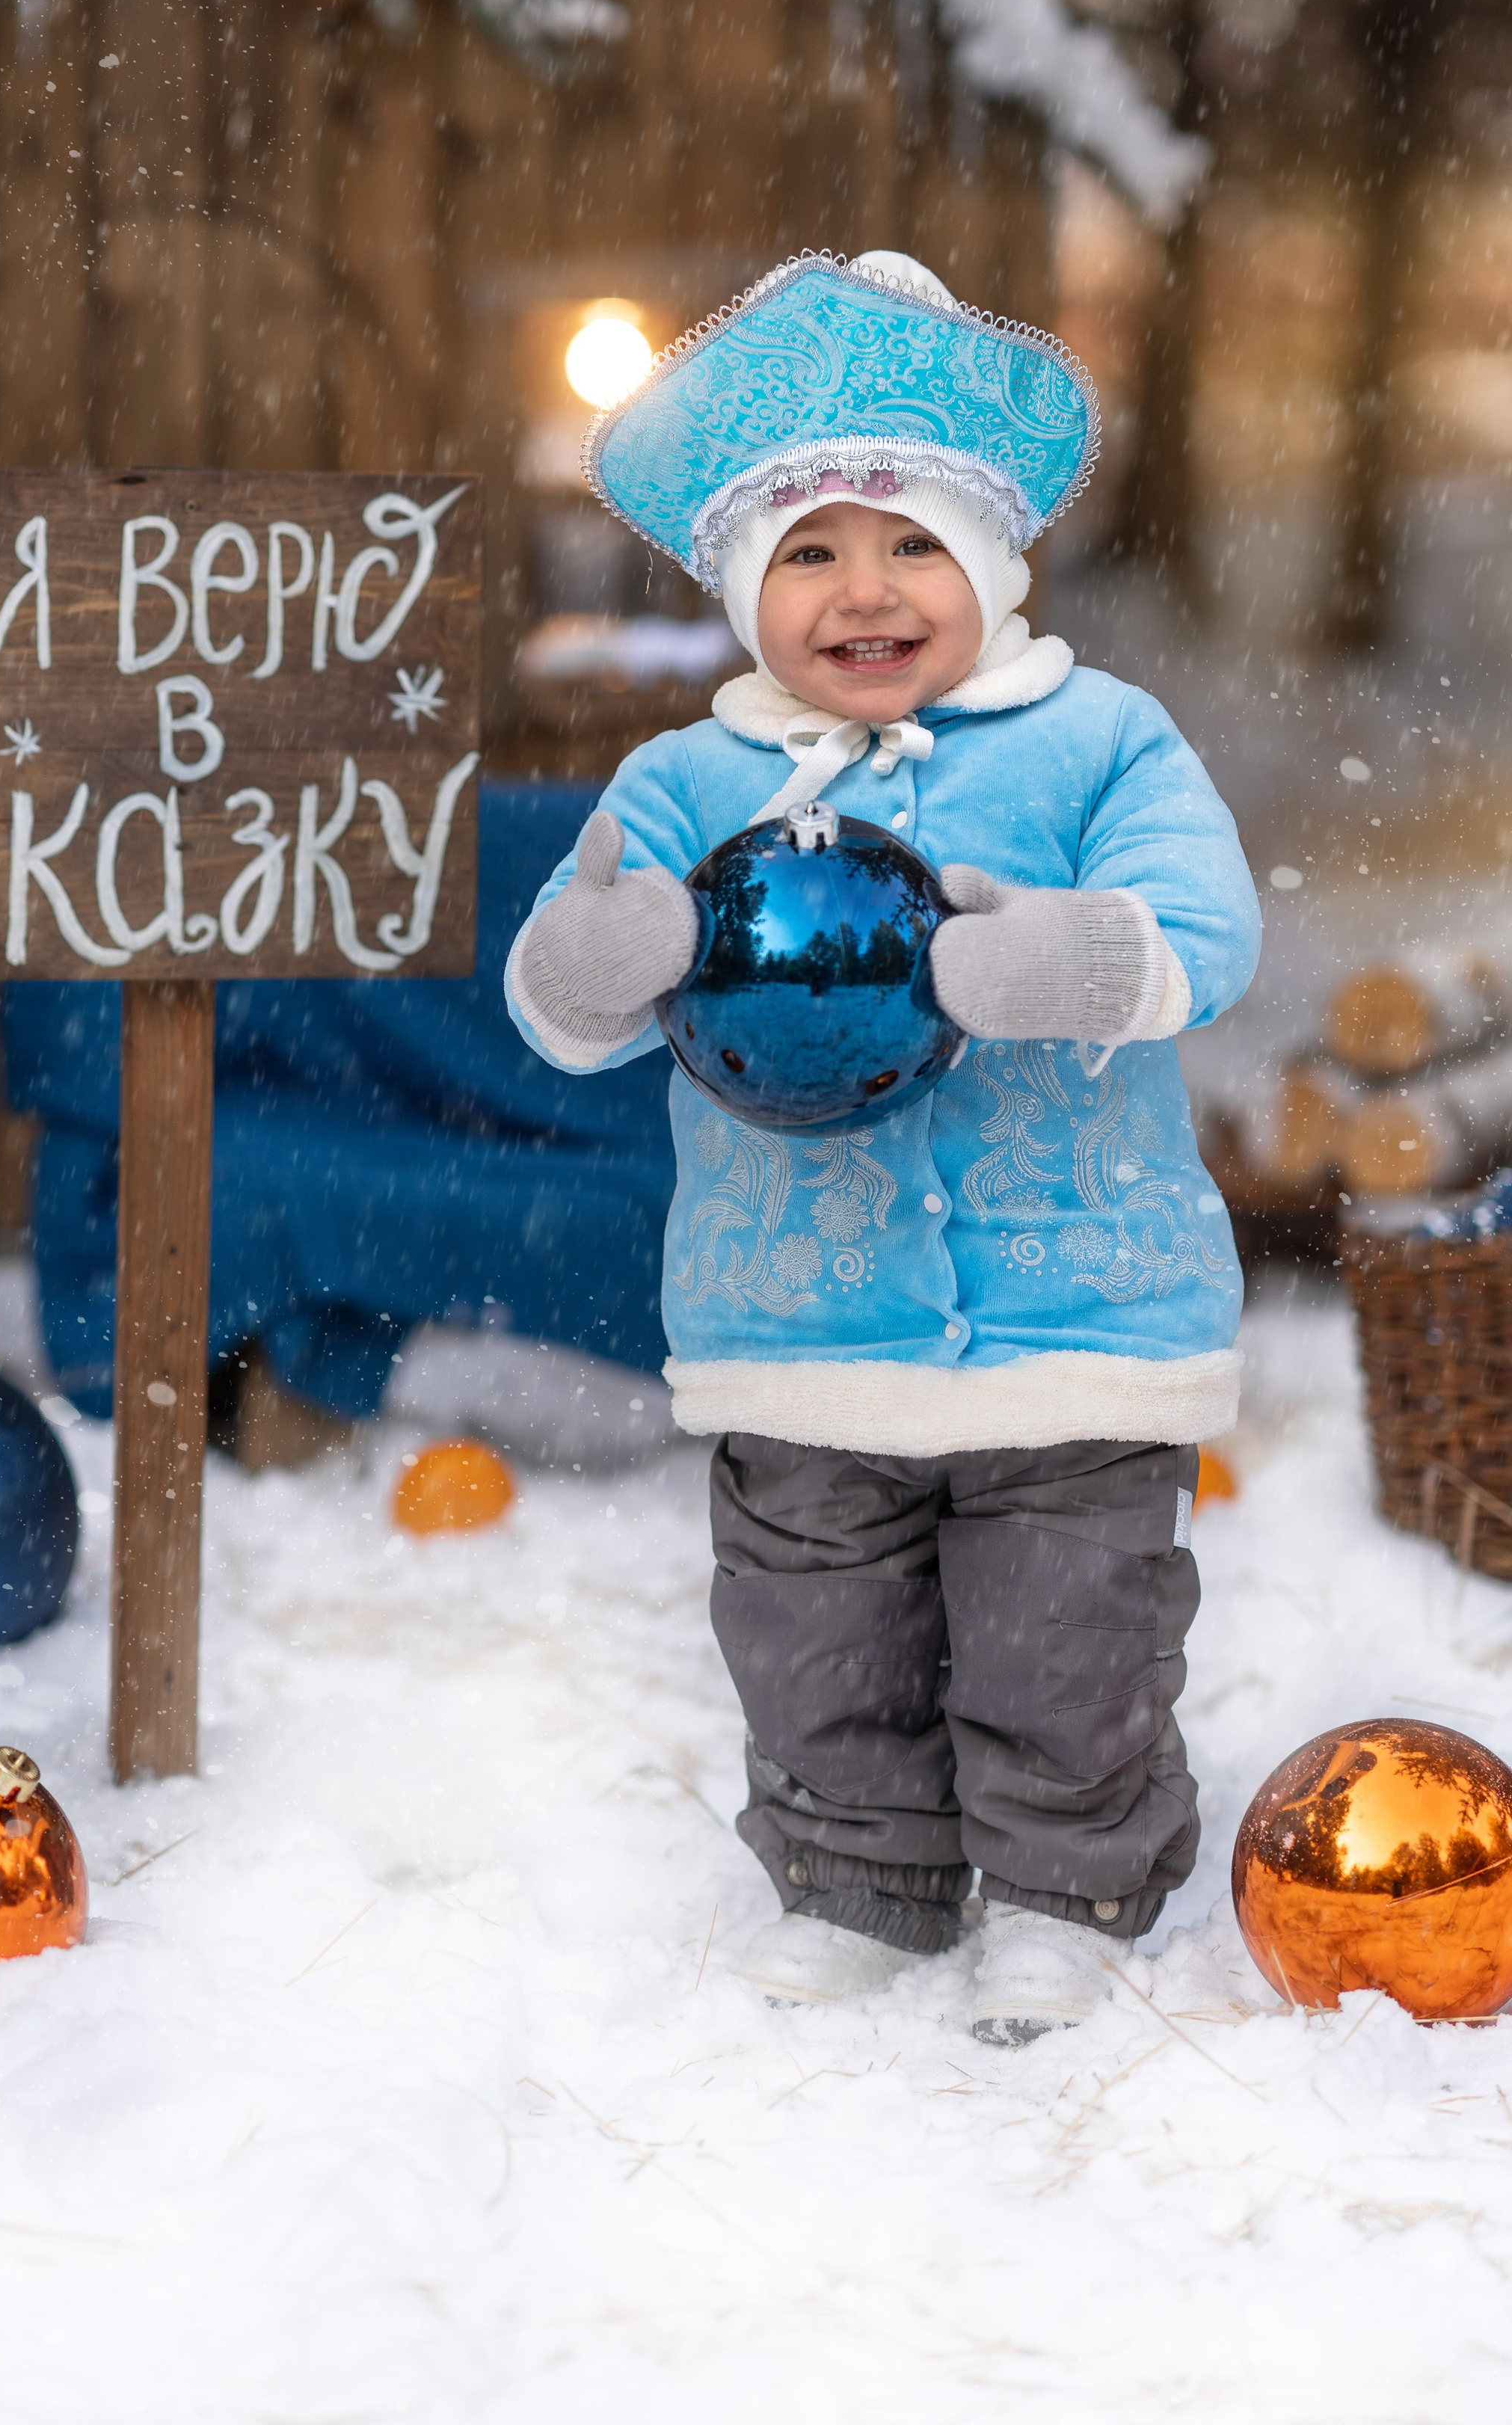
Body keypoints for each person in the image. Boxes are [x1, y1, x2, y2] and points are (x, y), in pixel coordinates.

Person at [505, 250, 1261, 2044]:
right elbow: (562, 1000)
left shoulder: (1096, 740)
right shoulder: (687, 785)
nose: (864, 591)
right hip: (800, 1320)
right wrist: (599, 955)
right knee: (812, 1628)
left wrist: (1077, 952)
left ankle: (1065, 1885)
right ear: (742, 591)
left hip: (1075, 1312)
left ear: (992, 567)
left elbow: (1202, 926)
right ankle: (857, 1875)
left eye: (911, 544)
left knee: (1061, 1625)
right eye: (809, 553)